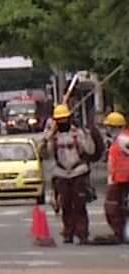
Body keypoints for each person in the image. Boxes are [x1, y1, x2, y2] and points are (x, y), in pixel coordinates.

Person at [43, 103, 98, 244]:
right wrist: (46, 140)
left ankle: (83, 233)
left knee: (79, 205)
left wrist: (84, 137)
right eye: (59, 120)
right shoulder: (52, 136)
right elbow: (45, 154)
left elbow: (90, 150)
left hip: (78, 172)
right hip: (61, 173)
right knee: (65, 205)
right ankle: (68, 232)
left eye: (64, 119)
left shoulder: (78, 133)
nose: (62, 122)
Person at [105, 112, 129, 245]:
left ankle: (121, 233)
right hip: (118, 179)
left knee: (113, 208)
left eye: (110, 127)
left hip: (122, 180)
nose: (108, 130)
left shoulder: (123, 139)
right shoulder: (118, 140)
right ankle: (121, 233)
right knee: (117, 208)